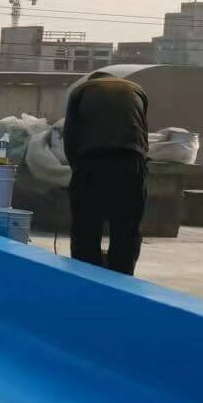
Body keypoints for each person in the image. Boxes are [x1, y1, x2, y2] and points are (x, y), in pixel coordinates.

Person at [64, 68, 149, 275]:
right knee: (127, 230)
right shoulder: (136, 90)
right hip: (131, 163)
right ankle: (122, 279)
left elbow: (70, 137)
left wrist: (77, 173)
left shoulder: (81, 91)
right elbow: (142, 134)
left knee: (86, 229)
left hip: (91, 161)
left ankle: (86, 278)